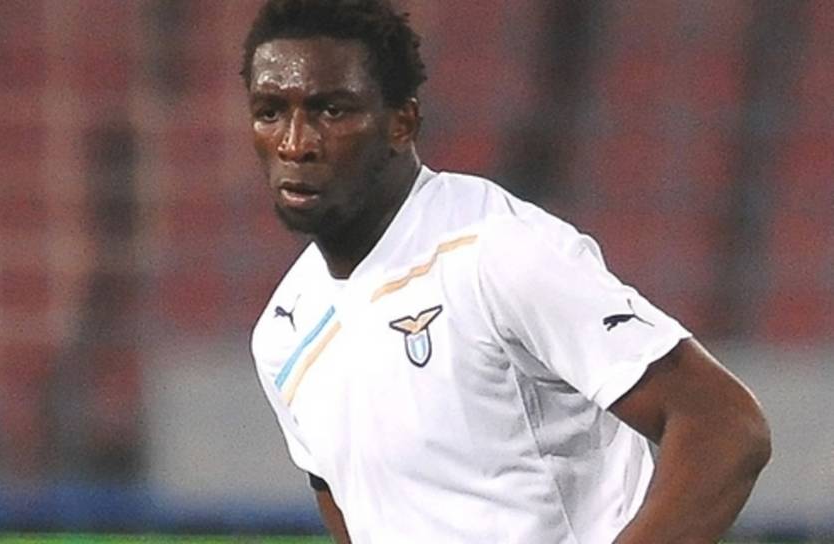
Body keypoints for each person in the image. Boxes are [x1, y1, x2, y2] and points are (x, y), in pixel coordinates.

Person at [243, 1, 772, 542]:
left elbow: (726, 426)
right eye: (269, 112)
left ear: (402, 123)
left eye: (332, 111)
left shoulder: (497, 252)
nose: (295, 143)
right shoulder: (283, 334)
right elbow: (354, 511)